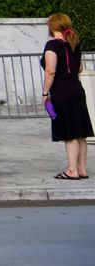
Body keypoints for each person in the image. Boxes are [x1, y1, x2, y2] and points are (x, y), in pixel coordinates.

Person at [41, 12, 91, 180]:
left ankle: (71, 170)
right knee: (80, 133)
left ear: (52, 26)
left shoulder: (52, 46)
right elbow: (79, 68)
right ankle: (82, 169)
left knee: (69, 134)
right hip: (77, 90)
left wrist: (45, 92)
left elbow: (50, 70)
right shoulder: (74, 43)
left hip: (61, 93)